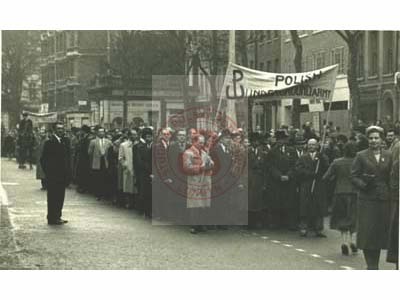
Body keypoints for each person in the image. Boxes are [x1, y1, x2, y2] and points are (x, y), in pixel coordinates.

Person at [351, 125, 393, 270]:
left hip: (384, 200)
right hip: (367, 200)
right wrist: (363, 184)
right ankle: (372, 266)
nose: (373, 141)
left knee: (382, 234)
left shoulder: (389, 155)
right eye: (370, 138)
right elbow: (354, 176)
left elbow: (392, 176)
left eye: (376, 138)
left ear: (381, 139)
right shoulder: (361, 155)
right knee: (368, 234)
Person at [323, 142, 358, 255]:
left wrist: (334, 179)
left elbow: (326, 177)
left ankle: (344, 242)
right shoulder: (358, 162)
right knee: (353, 218)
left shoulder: (337, 162)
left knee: (342, 217)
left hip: (339, 192)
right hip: (354, 193)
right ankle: (352, 241)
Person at [295, 138, 329, 237]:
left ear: (317, 146)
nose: (311, 147)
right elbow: (298, 169)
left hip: (318, 184)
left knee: (318, 206)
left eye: (313, 145)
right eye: (309, 145)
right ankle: (304, 227)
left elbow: (327, 167)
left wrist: (322, 159)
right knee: (305, 205)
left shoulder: (322, 156)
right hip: (306, 184)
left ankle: (318, 228)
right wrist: (309, 174)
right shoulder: (302, 157)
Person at [266, 129, 298, 230]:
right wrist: (279, 176)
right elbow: (270, 166)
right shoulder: (272, 151)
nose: (281, 141)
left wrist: (288, 175)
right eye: (279, 139)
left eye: (283, 139)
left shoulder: (292, 151)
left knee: (289, 202)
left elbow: (295, 165)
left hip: (289, 180)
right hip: (276, 181)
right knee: (276, 202)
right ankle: (276, 223)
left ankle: (289, 223)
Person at [40, 122, 71, 225]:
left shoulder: (64, 141)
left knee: (60, 196)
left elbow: (66, 159)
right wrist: (49, 173)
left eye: (62, 128)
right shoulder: (50, 142)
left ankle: (58, 216)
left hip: (62, 175)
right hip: (53, 175)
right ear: (54, 130)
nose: (61, 130)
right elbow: (43, 159)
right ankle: (52, 217)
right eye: (58, 129)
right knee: (53, 197)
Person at [183, 134, 214, 234]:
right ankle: (193, 225)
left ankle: (201, 224)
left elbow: (212, 163)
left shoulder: (204, 152)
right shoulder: (188, 153)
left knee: (203, 204)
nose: (202, 144)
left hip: (204, 181)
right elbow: (187, 167)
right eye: (200, 142)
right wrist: (200, 167)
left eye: (203, 143)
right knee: (194, 204)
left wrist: (210, 164)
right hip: (194, 181)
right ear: (194, 142)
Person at [88, 127, 113, 201]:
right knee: (98, 178)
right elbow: (89, 152)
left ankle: (105, 194)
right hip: (97, 162)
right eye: (100, 132)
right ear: (97, 133)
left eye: (103, 132)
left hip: (105, 162)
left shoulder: (108, 141)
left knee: (105, 178)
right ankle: (98, 194)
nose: (101, 133)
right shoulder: (93, 141)